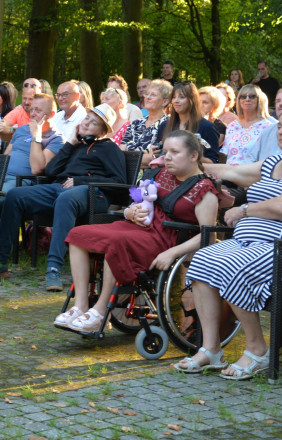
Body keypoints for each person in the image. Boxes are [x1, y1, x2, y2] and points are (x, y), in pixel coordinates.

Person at [177, 108, 282, 380]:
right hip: (254, 244)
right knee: (203, 260)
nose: (281, 130)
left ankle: (257, 349)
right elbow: (229, 170)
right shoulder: (274, 162)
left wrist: (244, 211)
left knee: (233, 266)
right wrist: (185, 163)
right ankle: (211, 348)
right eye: (280, 126)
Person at [56, 131, 218, 334]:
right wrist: (130, 211)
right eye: (165, 151)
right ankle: (80, 304)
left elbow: (209, 236)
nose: (167, 157)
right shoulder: (159, 174)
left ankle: (99, 311)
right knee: (78, 235)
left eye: (175, 152)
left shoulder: (204, 190)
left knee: (116, 242)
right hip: (136, 228)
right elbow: (135, 201)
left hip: (165, 240)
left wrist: (172, 253)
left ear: (194, 155)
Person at [0, 104, 125, 291]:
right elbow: (51, 171)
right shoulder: (75, 145)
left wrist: (81, 181)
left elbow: (119, 182)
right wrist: (70, 144)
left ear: (102, 131)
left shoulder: (109, 148)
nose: (86, 124)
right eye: (87, 119)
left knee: (66, 199)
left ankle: (53, 269)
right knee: (14, 195)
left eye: (93, 124)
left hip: (93, 195)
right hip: (59, 189)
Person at [1, 94, 64, 193]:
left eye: (38, 110)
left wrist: (36, 136)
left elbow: (37, 169)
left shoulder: (56, 139)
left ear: (51, 114)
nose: (33, 114)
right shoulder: (22, 129)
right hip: (1, 177)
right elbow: (5, 158)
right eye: (31, 110)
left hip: (21, 182)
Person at [154, 82, 220, 163]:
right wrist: (154, 152)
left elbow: (213, 161)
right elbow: (156, 154)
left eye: (181, 97)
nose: (176, 101)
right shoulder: (164, 125)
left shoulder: (207, 127)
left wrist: (191, 156)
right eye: (174, 97)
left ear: (192, 100)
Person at [222, 85, 275, 166]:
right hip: (229, 174)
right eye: (243, 96)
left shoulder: (268, 127)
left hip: (253, 175)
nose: (247, 99)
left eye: (252, 96)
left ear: (259, 100)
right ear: (239, 100)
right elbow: (225, 155)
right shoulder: (232, 126)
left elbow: (269, 159)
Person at [121, 80, 171, 152]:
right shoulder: (136, 123)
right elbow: (121, 150)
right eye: (147, 94)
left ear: (165, 102)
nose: (147, 97)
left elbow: (155, 156)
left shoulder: (167, 124)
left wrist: (129, 153)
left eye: (153, 95)